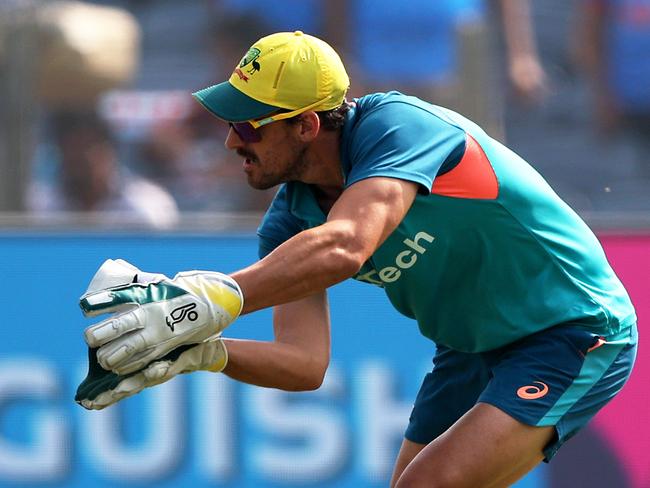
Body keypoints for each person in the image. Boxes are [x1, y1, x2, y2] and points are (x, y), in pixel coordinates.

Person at [75, 32, 637, 488]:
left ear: (307, 125)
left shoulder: (399, 127)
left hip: (574, 328)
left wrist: (211, 298)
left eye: (248, 126)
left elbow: (348, 244)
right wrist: (200, 350)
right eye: (229, 123)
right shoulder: (290, 219)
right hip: (469, 348)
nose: (230, 142)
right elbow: (302, 364)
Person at [28, 110, 179, 229]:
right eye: (72, 149)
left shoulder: (146, 205)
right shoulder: (40, 206)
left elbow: (164, 257)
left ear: (109, 150)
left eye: (88, 147)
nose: (81, 158)